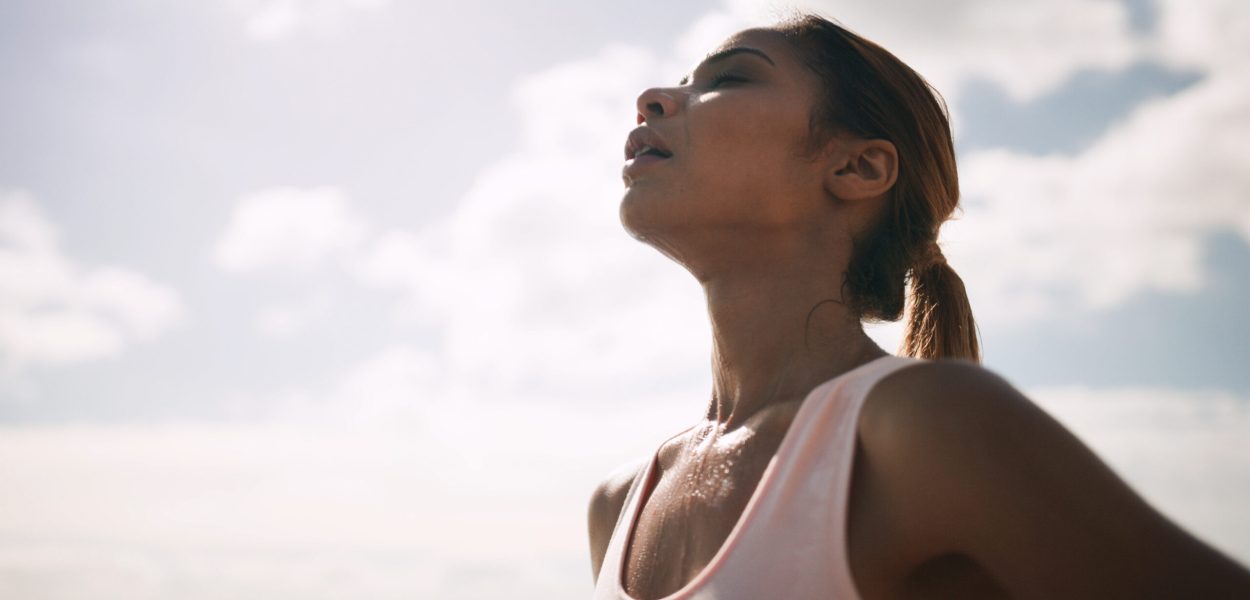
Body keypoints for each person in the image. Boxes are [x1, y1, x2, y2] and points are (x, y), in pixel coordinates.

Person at [586, 14, 1250, 600]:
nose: (651, 100)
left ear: (858, 169)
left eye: (728, 79)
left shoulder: (919, 427)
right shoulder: (618, 507)